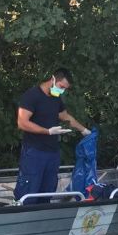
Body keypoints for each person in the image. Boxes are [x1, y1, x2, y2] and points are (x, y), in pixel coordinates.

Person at [15, 68, 90, 204]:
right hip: (34, 152)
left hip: (52, 153)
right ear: (53, 79)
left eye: (65, 89)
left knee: (47, 192)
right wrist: (48, 131)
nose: (62, 91)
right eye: (61, 87)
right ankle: (22, 218)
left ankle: (42, 220)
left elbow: (64, 116)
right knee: (29, 191)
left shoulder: (56, 98)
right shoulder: (32, 95)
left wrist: (83, 130)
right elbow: (22, 122)